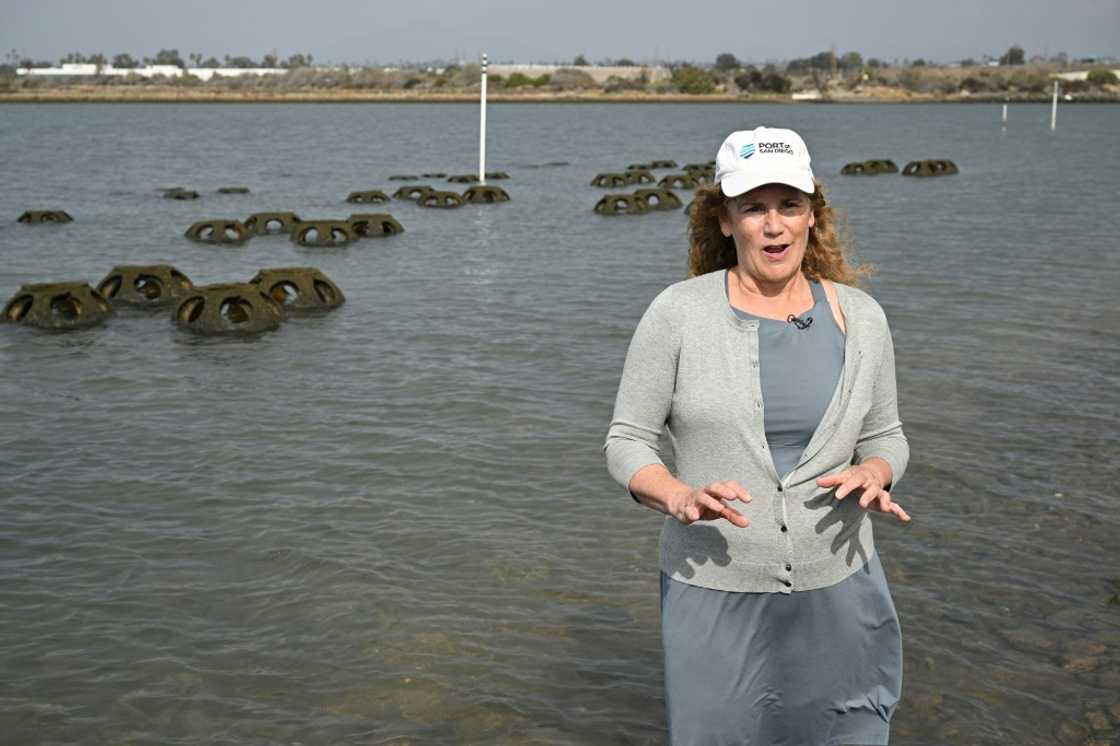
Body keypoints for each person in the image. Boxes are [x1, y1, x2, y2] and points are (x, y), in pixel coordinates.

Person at [603, 126, 912, 745]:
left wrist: (875, 472)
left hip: (843, 584)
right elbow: (626, 441)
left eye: (789, 205)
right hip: (714, 589)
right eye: (754, 208)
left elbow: (888, 435)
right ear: (724, 219)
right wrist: (677, 496)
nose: (773, 226)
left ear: (811, 216)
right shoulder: (677, 313)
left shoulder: (864, 319)